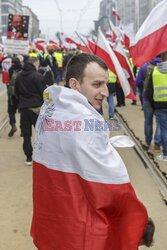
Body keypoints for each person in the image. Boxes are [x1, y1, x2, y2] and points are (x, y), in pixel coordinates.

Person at [31, 53, 148, 250]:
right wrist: (134, 215)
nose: (105, 91)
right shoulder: (89, 124)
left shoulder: (51, 111)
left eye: (106, 84)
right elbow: (111, 190)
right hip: (81, 232)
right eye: (97, 84)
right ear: (75, 84)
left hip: (50, 223)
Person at [15, 57, 46, 166]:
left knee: (26, 135)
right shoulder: (37, 76)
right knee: (41, 133)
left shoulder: (19, 76)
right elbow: (43, 93)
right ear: (35, 64)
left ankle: (28, 157)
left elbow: (16, 93)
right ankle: (41, 156)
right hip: (36, 109)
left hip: (24, 109)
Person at [136, 57, 162, 151]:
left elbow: (137, 81)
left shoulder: (145, 66)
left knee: (148, 120)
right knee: (160, 122)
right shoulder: (163, 66)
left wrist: (144, 86)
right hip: (160, 99)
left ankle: (148, 141)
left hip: (147, 98)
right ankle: (157, 142)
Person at [147, 51, 167, 162]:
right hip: (160, 105)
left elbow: (149, 90)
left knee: (164, 129)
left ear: (161, 57)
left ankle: (165, 155)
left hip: (160, 105)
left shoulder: (155, 71)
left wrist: (153, 105)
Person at [7, 56, 22, 137]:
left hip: (12, 94)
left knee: (11, 111)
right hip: (21, 94)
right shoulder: (22, 69)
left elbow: (7, 80)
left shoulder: (10, 70)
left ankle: (13, 125)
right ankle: (22, 129)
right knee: (22, 111)